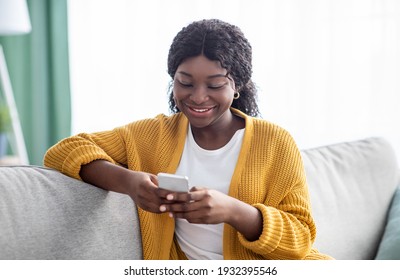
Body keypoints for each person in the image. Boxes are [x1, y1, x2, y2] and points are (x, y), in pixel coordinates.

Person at [44, 19, 332, 260]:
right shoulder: (152, 134)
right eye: (185, 82)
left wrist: (233, 211)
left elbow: (300, 238)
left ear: (238, 87)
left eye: (215, 84)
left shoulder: (275, 143)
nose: (197, 97)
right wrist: (131, 183)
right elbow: (64, 150)